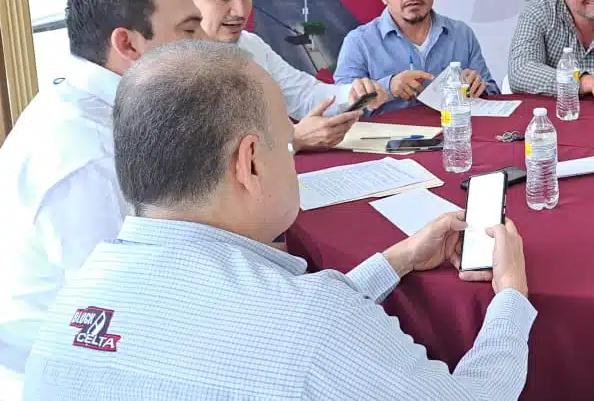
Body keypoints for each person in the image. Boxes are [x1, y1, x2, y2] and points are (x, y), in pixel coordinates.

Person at [23, 41, 536, 399]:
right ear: (249, 163)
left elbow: (253, 325)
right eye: (288, 144)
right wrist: (511, 295)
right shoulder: (313, 325)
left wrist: (397, 259)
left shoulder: (76, 302)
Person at [0, 0, 205, 397]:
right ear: (127, 44)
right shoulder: (89, 153)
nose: (206, 45)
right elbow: (122, 314)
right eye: (188, 32)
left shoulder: (96, 107)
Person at [170, 0, 386, 150]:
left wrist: (353, 94)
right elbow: (204, 159)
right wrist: (293, 141)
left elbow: (304, 95)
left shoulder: (251, 45)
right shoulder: (165, 70)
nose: (240, 10)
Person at [335, 0, 498, 113]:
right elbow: (341, 109)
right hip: (387, 138)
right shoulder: (359, 42)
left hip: (454, 134)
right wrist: (389, 88)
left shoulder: (461, 34)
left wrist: (479, 87)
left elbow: (493, 93)